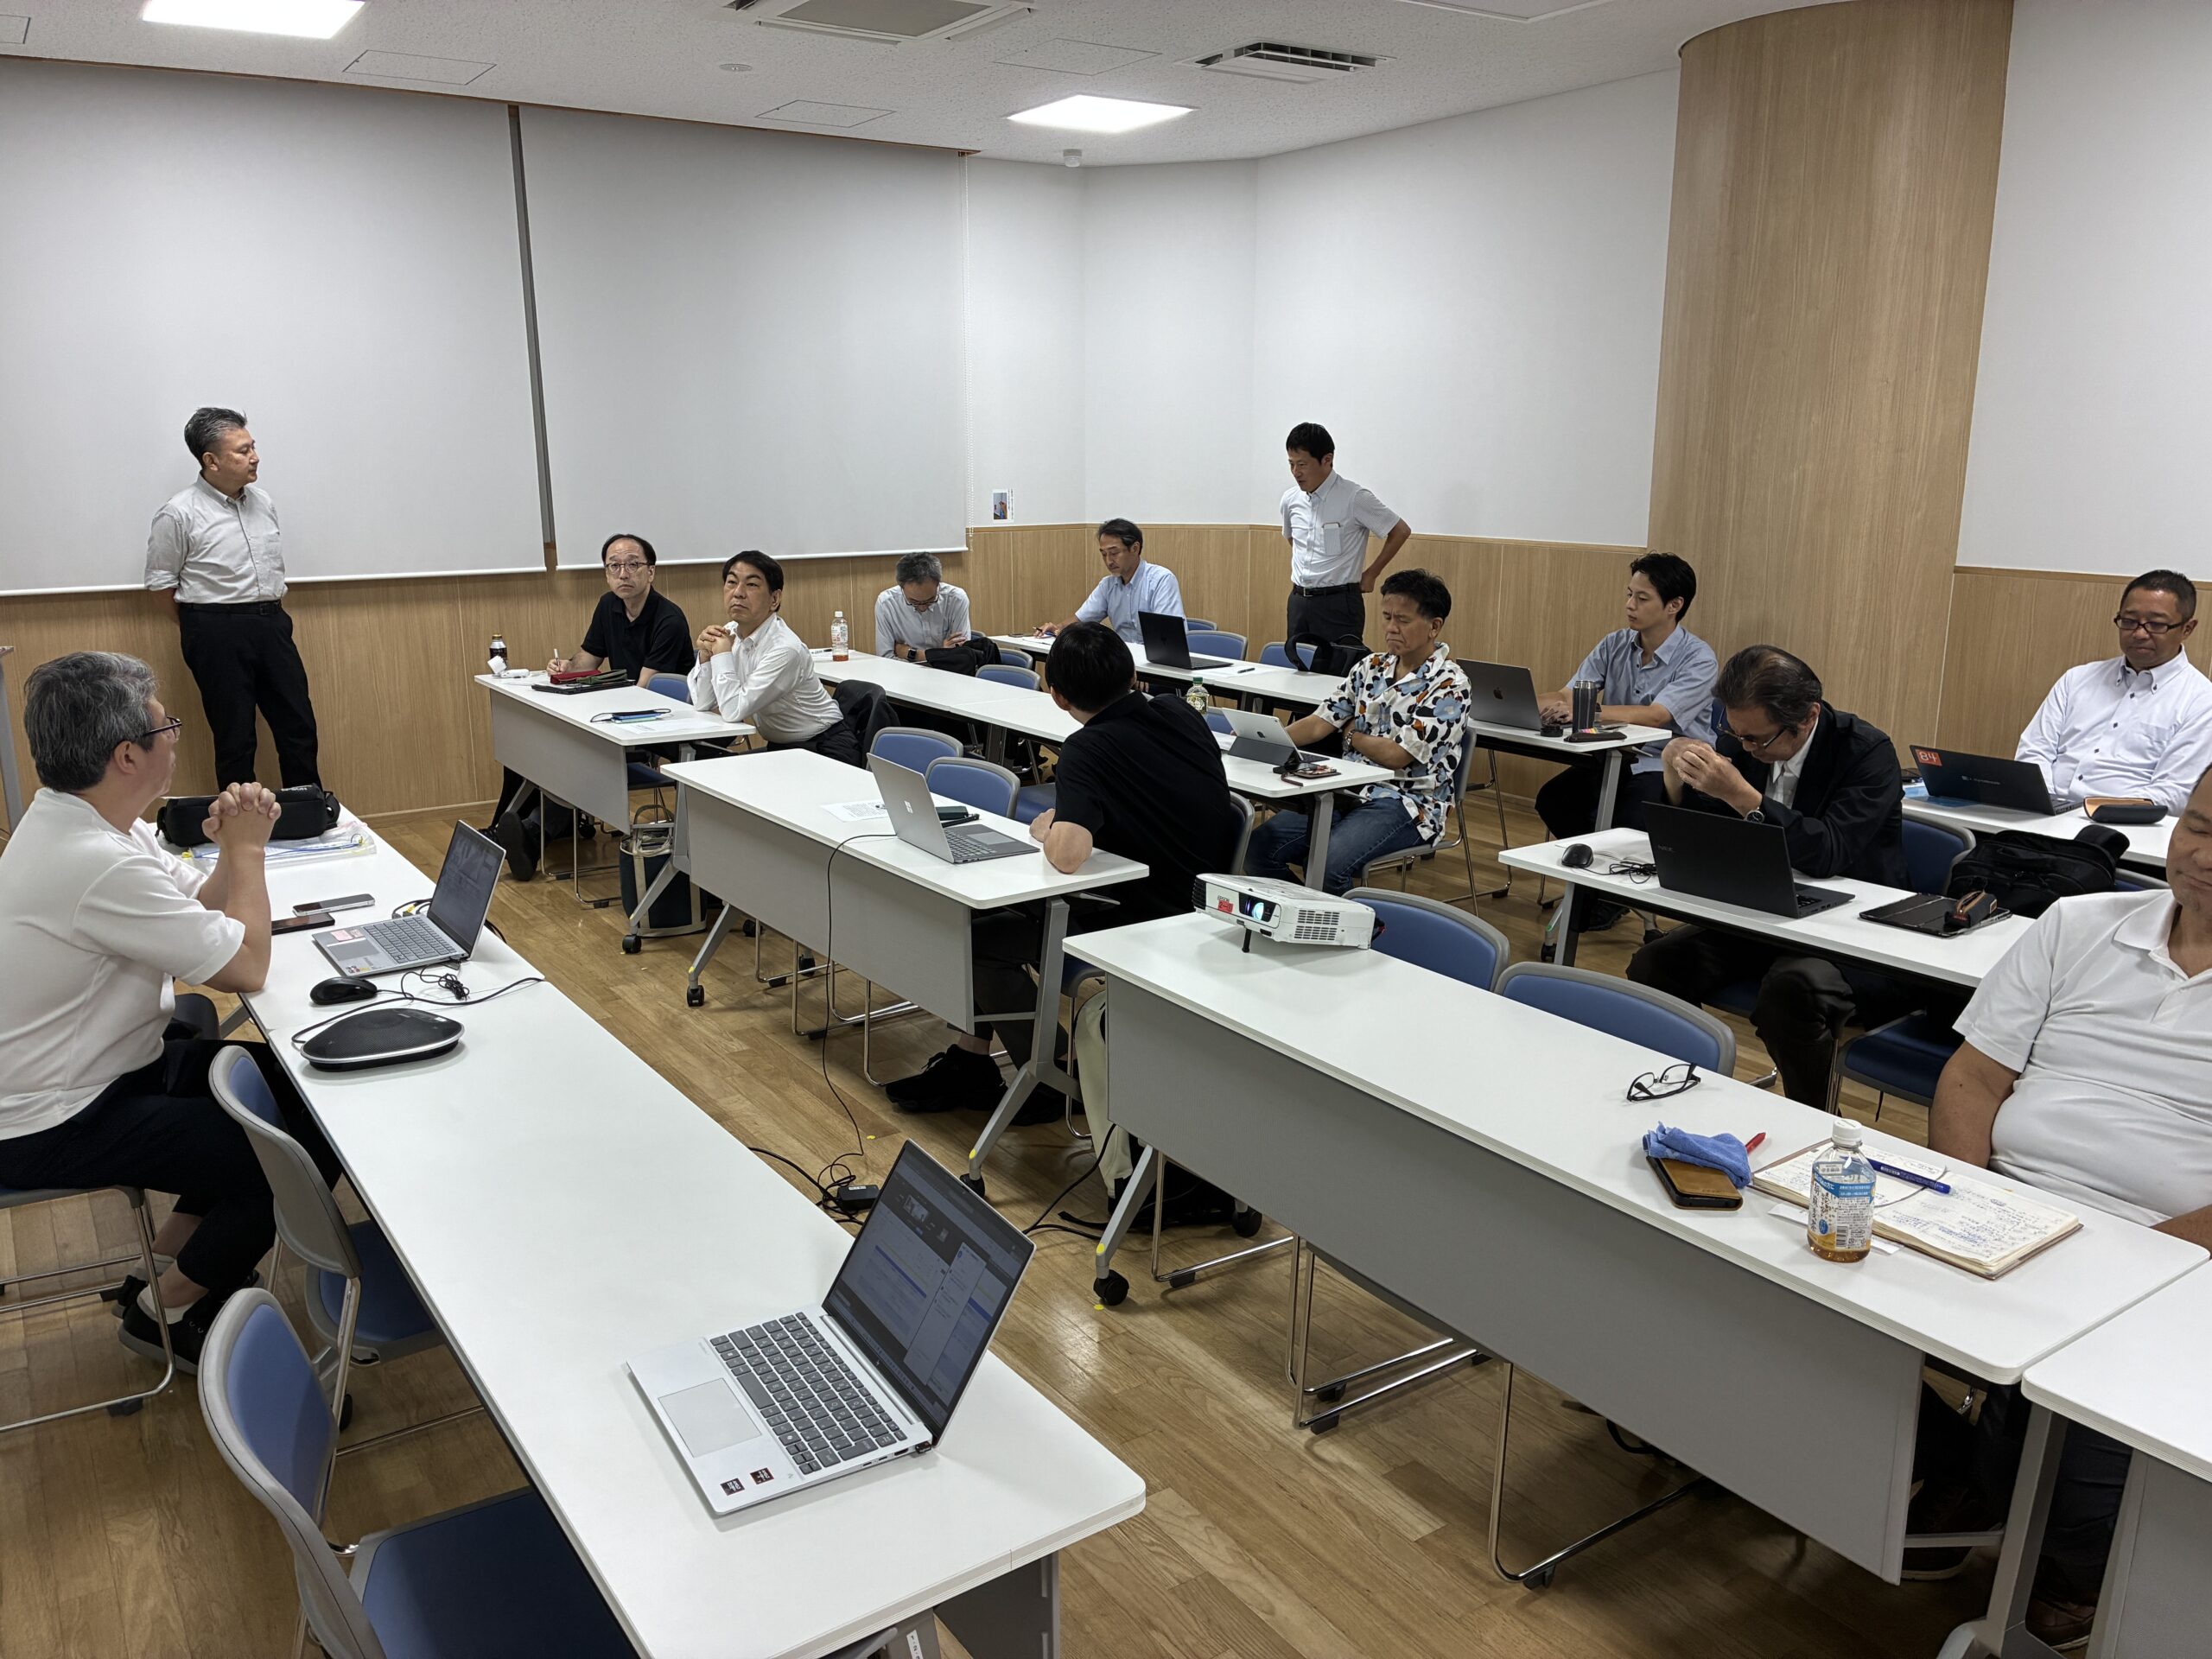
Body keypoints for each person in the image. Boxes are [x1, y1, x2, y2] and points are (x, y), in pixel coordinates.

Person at [1907, 766, 2212, 1648]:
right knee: (1819, 1315)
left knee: (2084, 1449)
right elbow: (1974, 1077)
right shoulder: (2079, 925)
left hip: (2168, 1257)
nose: (2204, 856)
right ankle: (1969, 1470)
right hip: (2007, 1203)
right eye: (2200, 827)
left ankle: (2072, 1566)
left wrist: (2125, 1268)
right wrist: (1966, 1204)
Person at [0, 652, 340, 1374]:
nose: (176, 737)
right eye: (167, 727)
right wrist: (248, 854)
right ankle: (168, 1311)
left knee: (289, 1088)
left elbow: (196, 909)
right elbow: (244, 966)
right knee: (285, 1160)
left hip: (105, 1069)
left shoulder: (89, 824)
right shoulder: (92, 859)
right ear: (128, 755)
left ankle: (163, 1264)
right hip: (53, 1116)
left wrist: (229, 849)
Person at [885, 623, 1242, 1116]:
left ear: (1057, 697)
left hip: (1136, 919)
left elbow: (1068, 856)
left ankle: (1051, 1076)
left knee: (975, 940)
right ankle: (972, 1060)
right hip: (1201, 904)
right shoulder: (1181, 712)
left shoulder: (1086, 750)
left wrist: (1047, 828)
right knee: (985, 920)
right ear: (1132, 675)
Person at [1625, 645, 1910, 1103]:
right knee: (1654, 965)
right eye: (1735, 734)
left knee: (1791, 991)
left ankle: (1811, 1118)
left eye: (1757, 739)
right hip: (1765, 908)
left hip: (1853, 933)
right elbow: (1705, 830)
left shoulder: (1865, 752)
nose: (1745, 748)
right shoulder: (1744, 737)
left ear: (1808, 716)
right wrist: (1676, 778)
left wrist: (1744, 797)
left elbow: (1829, 852)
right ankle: (1683, 1092)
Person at [1243, 569, 1471, 896]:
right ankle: (1305, 913)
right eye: (1387, 617)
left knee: (1327, 864)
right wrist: (1264, 740)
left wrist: (1352, 736)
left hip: (1407, 803)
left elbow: (1397, 756)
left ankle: (1349, 925)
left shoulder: (1450, 684)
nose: (1391, 628)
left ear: (1434, 626)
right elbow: (1320, 722)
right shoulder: (1371, 667)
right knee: (1257, 848)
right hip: (1346, 790)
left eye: (1403, 620)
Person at [490, 532, 695, 880]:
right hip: (619, 717)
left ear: (651, 571)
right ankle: (514, 830)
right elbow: (588, 659)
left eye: (633, 565)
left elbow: (646, 691)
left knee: (577, 752)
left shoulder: (669, 619)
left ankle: (532, 834)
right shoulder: (608, 606)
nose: (623, 573)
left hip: (659, 727)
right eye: (614, 566)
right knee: (534, 747)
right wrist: (566, 668)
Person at [1535, 554, 1719, 931]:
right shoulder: (1614, 644)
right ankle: (1603, 881)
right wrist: (1528, 704)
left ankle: (1610, 892)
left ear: (1674, 605)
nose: (1629, 605)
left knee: (1630, 818)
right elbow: (1570, 694)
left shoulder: (1699, 658)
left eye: (1642, 598)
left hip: (1668, 767)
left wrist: (1589, 710)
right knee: (1553, 799)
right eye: (1629, 594)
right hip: (1612, 756)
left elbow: (1657, 716)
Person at [145, 407, 321, 791]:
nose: (255, 457)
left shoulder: (263, 502)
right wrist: (205, 625)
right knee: (235, 737)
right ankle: (242, 819)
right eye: (243, 451)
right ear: (211, 461)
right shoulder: (178, 513)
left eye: (253, 447)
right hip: (214, 631)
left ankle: (307, 812)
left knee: (298, 726)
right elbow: (160, 586)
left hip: (272, 623)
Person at [2014, 569, 2212, 814]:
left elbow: (2173, 793)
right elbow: (2033, 751)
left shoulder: (2202, 701)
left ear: (2187, 629)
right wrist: (2046, 803)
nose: (2139, 633)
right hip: (2045, 816)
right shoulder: (2077, 679)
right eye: (2129, 621)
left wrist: (2092, 812)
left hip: (2125, 827)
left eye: (2156, 625)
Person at [688, 550, 860, 763]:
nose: (738, 593)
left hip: (824, 748)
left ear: (775, 599)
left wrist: (722, 655)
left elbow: (733, 711)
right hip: (782, 748)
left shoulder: (784, 649)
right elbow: (702, 703)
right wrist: (707, 656)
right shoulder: (730, 632)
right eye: (731, 582)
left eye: (751, 585)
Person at [1279, 422, 1411, 651]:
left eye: (1302, 464)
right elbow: (1294, 541)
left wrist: (1371, 573)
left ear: (1327, 460)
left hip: (1338, 603)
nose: (1296, 472)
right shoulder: (1290, 500)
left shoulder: (1354, 497)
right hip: (1299, 600)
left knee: (1339, 669)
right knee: (1298, 665)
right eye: (1291, 464)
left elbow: (1400, 531)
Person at [1037, 519, 1184, 645]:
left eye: (1114, 553)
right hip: (1122, 659)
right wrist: (1058, 628)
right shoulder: (1108, 585)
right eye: (1104, 554)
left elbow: (1169, 636)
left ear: (1135, 548)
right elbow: (1081, 620)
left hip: (1156, 661)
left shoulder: (1161, 580)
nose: (1108, 561)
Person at [875, 551, 974, 662]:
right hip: (904, 671)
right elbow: (886, 659)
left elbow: (961, 656)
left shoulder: (956, 599)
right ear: (901, 588)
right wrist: (942, 654)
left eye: (930, 600)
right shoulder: (886, 603)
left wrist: (911, 653)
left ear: (938, 584)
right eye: (913, 602)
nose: (922, 608)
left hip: (947, 671)